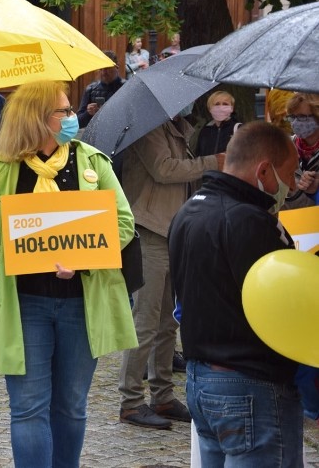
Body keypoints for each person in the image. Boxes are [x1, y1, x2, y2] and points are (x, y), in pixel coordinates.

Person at [0, 81, 138, 466]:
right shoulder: (3, 169)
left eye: (69, 111)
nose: (72, 118)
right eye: (63, 112)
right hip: (25, 305)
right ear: (36, 118)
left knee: (71, 406)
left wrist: (82, 258)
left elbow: (124, 223)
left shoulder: (92, 162)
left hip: (81, 302)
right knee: (29, 407)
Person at [170, 121, 302, 467]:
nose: (288, 186)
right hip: (251, 383)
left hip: (202, 379)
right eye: (287, 175)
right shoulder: (250, 221)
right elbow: (281, 308)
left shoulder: (189, 209)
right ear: (263, 169)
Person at [118, 111, 224, 429]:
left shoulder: (174, 129)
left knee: (167, 322)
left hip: (172, 231)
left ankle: (162, 396)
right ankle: (131, 401)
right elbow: (165, 169)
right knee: (146, 322)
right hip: (149, 231)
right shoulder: (149, 127)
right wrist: (213, 161)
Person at [284, 92, 319, 206]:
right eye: (292, 117)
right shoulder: (285, 146)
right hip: (289, 219)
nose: (295, 122)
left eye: (302, 117)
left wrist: (315, 192)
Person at [75, 50, 125, 128]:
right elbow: (78, 122)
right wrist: (88, 113)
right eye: (101, 69)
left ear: (117, 66)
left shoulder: (125, 87)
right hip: (97, 134)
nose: (103, 72)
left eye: (107, 68)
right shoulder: (91, 90)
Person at [196, 90, 239, 156]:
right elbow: (199, 156)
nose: (221, 108)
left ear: (232, 108)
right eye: (217, 104)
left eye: (225, 104)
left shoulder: (240, 129)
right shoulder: (205, 131)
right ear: (210, 108)